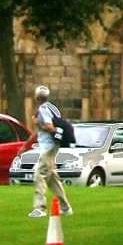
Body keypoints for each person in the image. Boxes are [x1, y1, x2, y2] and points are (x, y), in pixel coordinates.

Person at [29, 85, 73, 220]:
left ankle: (39, 208)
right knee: (52, 178)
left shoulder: (42, 110)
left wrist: (37, 123)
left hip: (48, 147)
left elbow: (50, 127)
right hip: (53, 145)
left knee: (39, 174)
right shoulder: (52, 107)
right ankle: (65, 207)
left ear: (36, 98)